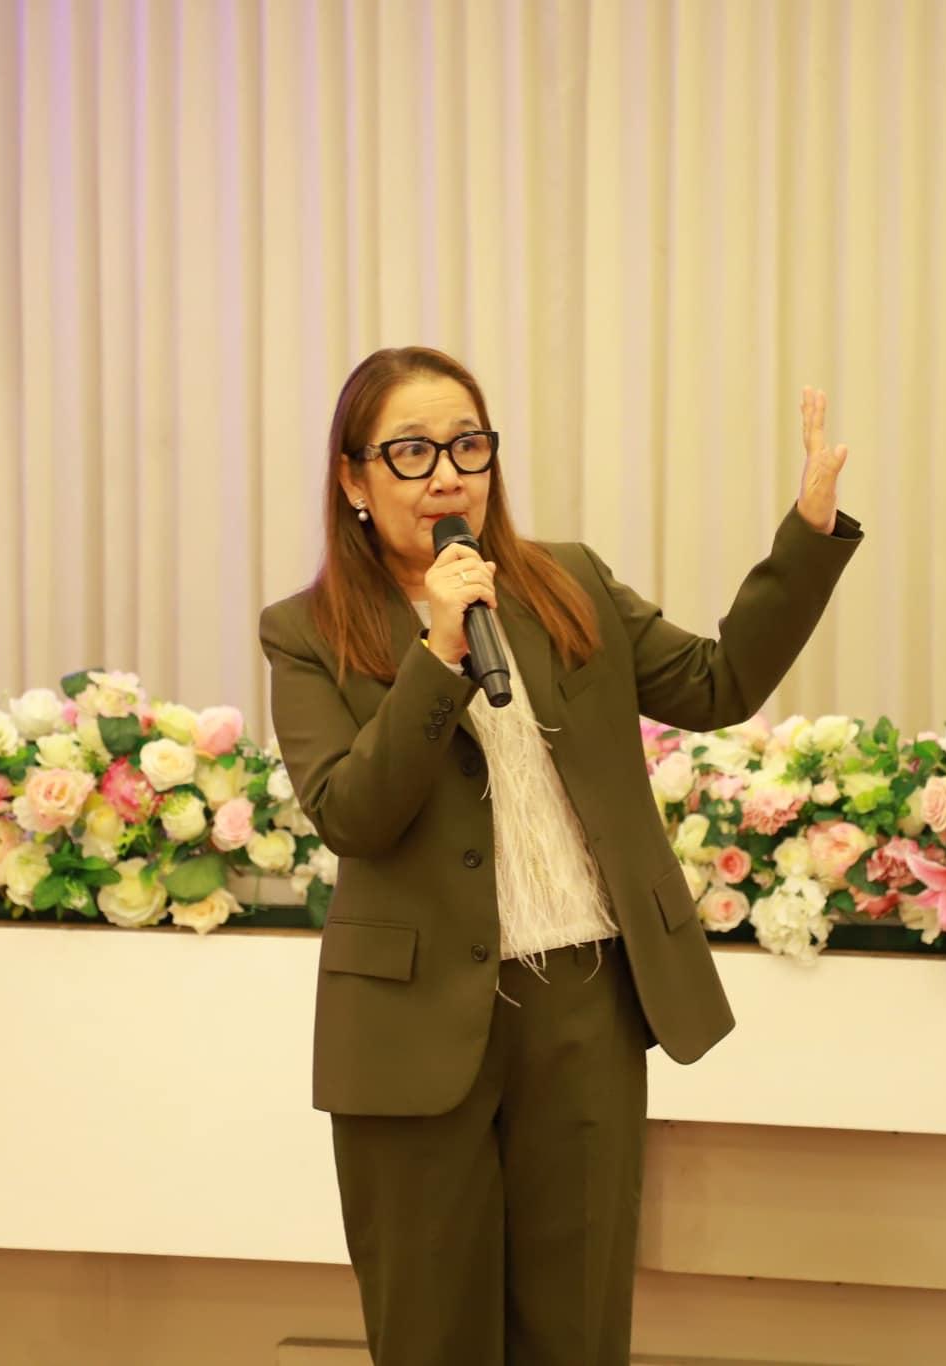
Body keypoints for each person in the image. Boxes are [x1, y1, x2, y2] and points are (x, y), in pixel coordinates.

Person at [258, 346, 864, 1365]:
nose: (446, 473)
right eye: (410, 451)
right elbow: (351, 813)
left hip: (582, 1000)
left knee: (576, 1326)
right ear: (353, 479)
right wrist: (438, 652)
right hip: (411, 1022)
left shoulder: (564, 582)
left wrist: (806, 537)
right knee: (431, 1331)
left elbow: (716, 684)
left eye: (467, 445)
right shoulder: (307, 632)